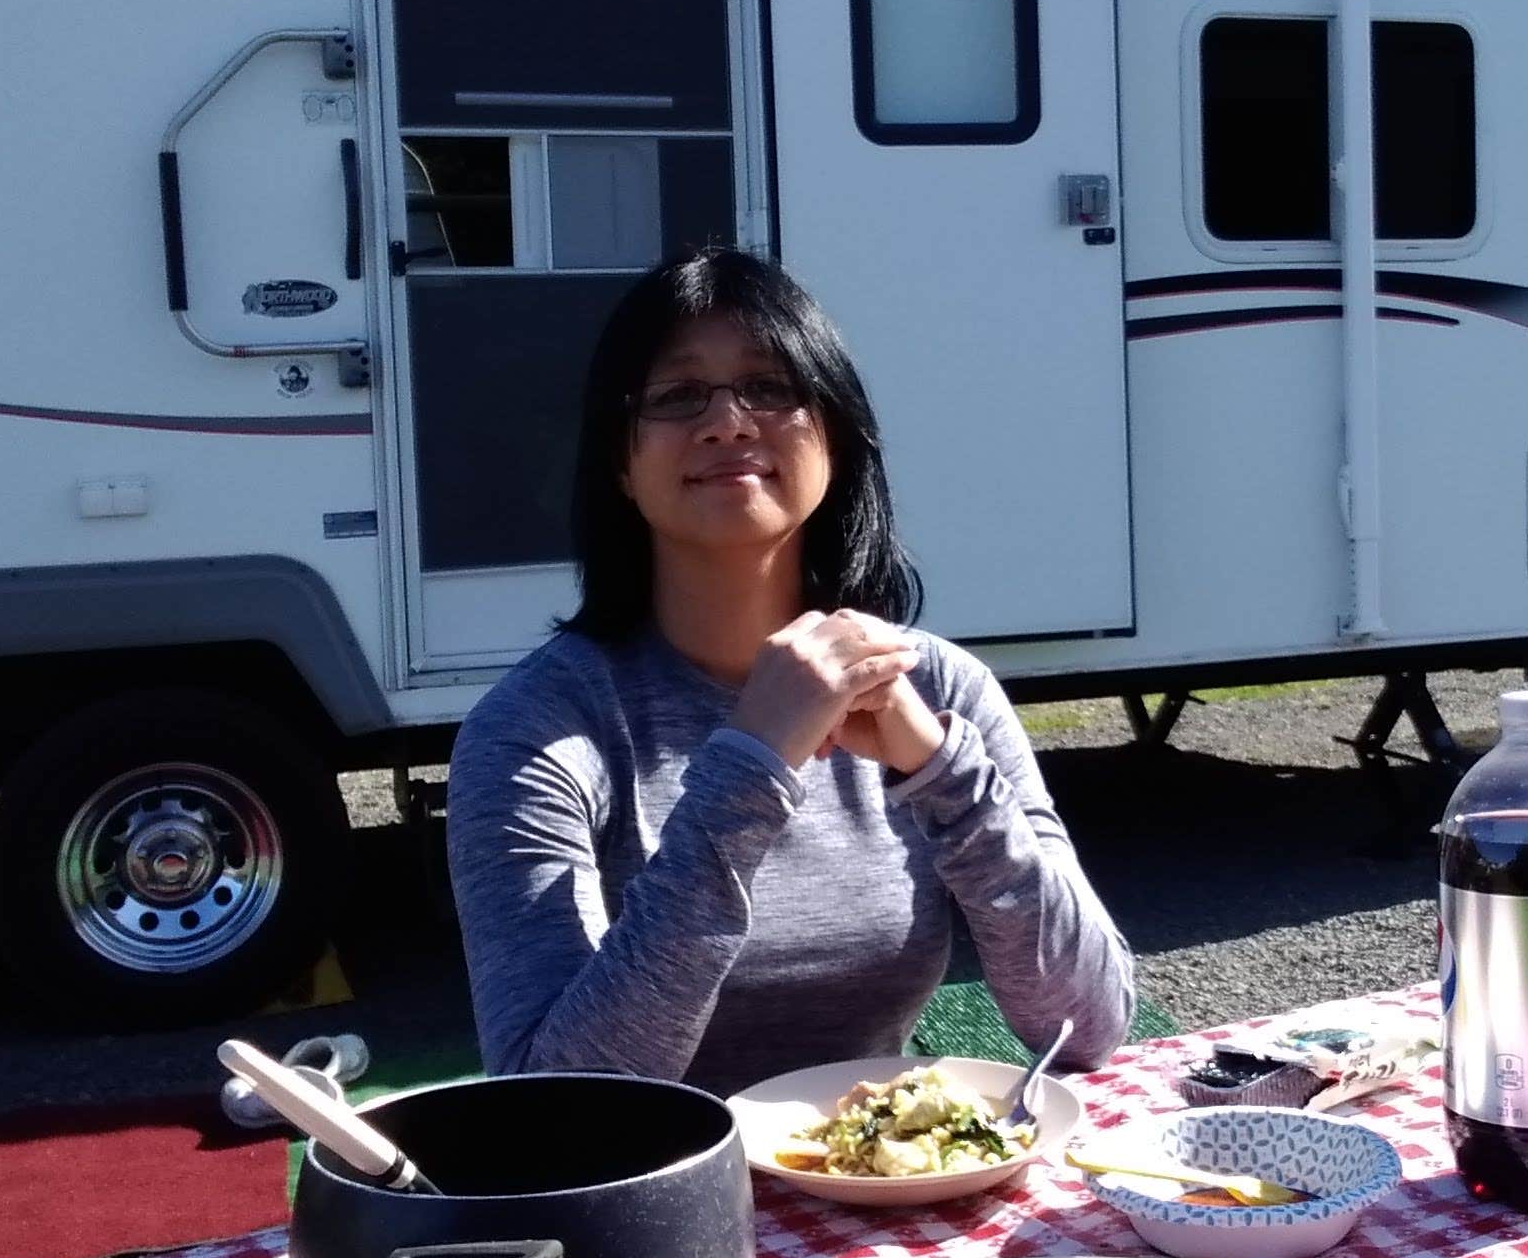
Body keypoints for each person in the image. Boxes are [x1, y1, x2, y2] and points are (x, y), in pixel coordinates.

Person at [447, 247, 1136, 1094]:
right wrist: (748, 771)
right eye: (676, 396)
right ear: (620, 466)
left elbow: (1091, 1023)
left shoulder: (940, 691)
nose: (729, 422)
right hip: (654, 1208)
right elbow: (552, 1107)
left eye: (771, 388)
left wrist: (940, 769)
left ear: (835, 438)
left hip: (889, 1190)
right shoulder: (536, 728)